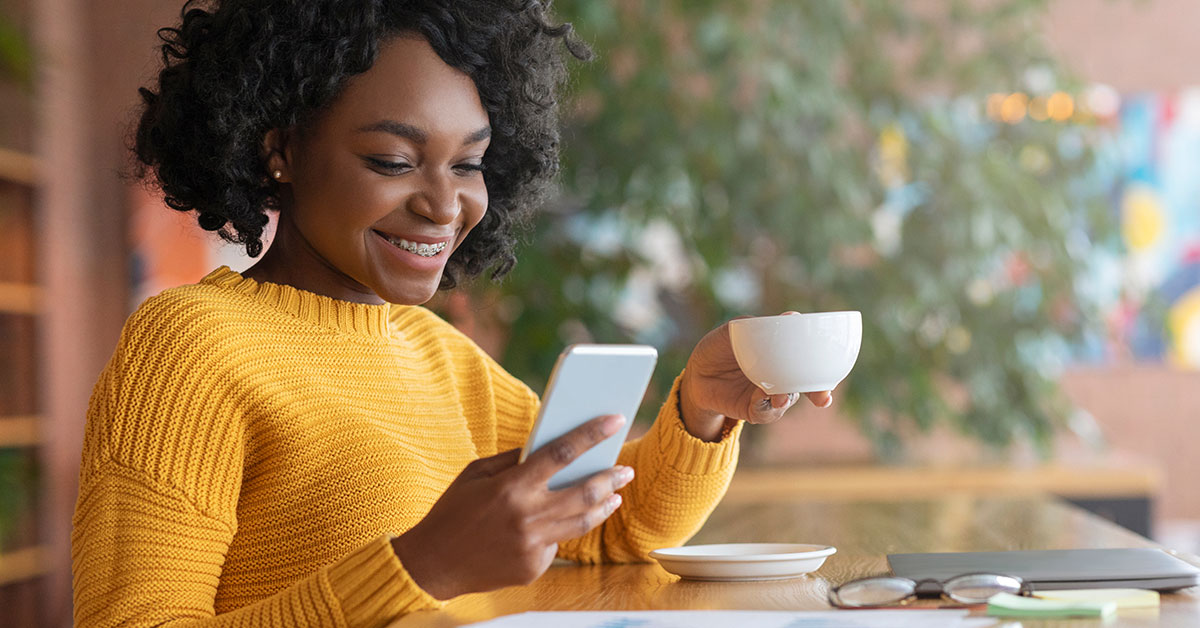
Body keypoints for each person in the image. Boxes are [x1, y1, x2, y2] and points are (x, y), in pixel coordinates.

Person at [71, 1, 834, 626]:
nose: (445, 204)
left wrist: (701, 409)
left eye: (468, 163)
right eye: (394, 162)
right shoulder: (189, 348)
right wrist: (419, 567)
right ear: (282, 151)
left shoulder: (438, 354)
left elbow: (609, 533)